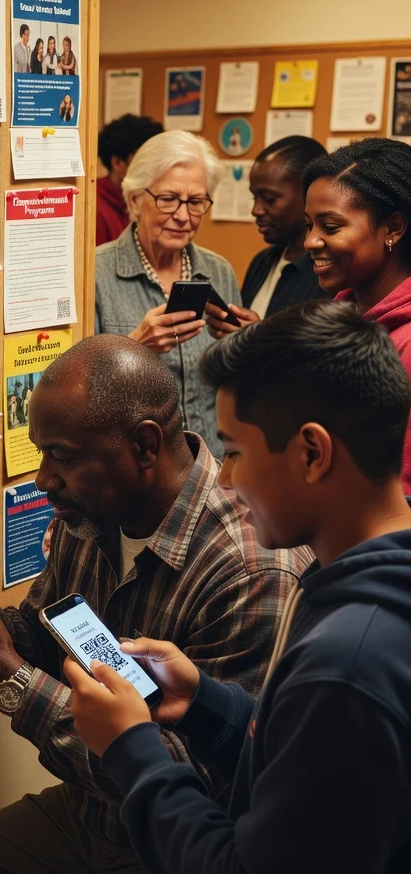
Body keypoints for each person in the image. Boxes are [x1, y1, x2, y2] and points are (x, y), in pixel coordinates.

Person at [0, 335, 307, 874]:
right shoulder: (91, 514)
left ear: (144, 445)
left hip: (180, 844)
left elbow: (196, 779)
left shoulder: (251, 570)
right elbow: (48, 638)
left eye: (62, 456)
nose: (43, 480)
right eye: (42, 454)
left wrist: (8, 677)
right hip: (91, 813)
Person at [66, 302, 411, 874]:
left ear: (311, 452)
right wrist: (206, 704)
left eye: (233, 452)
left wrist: (132, 748)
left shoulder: (347, 663)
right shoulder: (358, 585)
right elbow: (306, 769)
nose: (224, 479)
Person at [94, 130, 240, 456]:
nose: (183, 216)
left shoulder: (219, 272)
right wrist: (134, 348)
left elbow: (236, 387)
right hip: (136, 476)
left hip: (214, 470)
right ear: (134, 200)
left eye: (196, 202)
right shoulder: (96, 274)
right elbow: (76, 396)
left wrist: (248, 342)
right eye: (168, 199)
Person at [303, 138, 411, 491]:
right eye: (308, 225)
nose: (311, 241)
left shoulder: (406, 345)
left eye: (330, 227)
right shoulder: (335, 320)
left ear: (393, 228)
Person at [205, 135, 328, 338]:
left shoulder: (328, 273)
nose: (256, 210)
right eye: (255, 197)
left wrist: (260, 338)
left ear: (309, 195)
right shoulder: (263, 262)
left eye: (270, 199)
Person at [96, 114, 164, 246]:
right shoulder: (96, 209)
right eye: (145, 161)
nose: (156, 168)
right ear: (117, 163)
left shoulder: (145, 199)